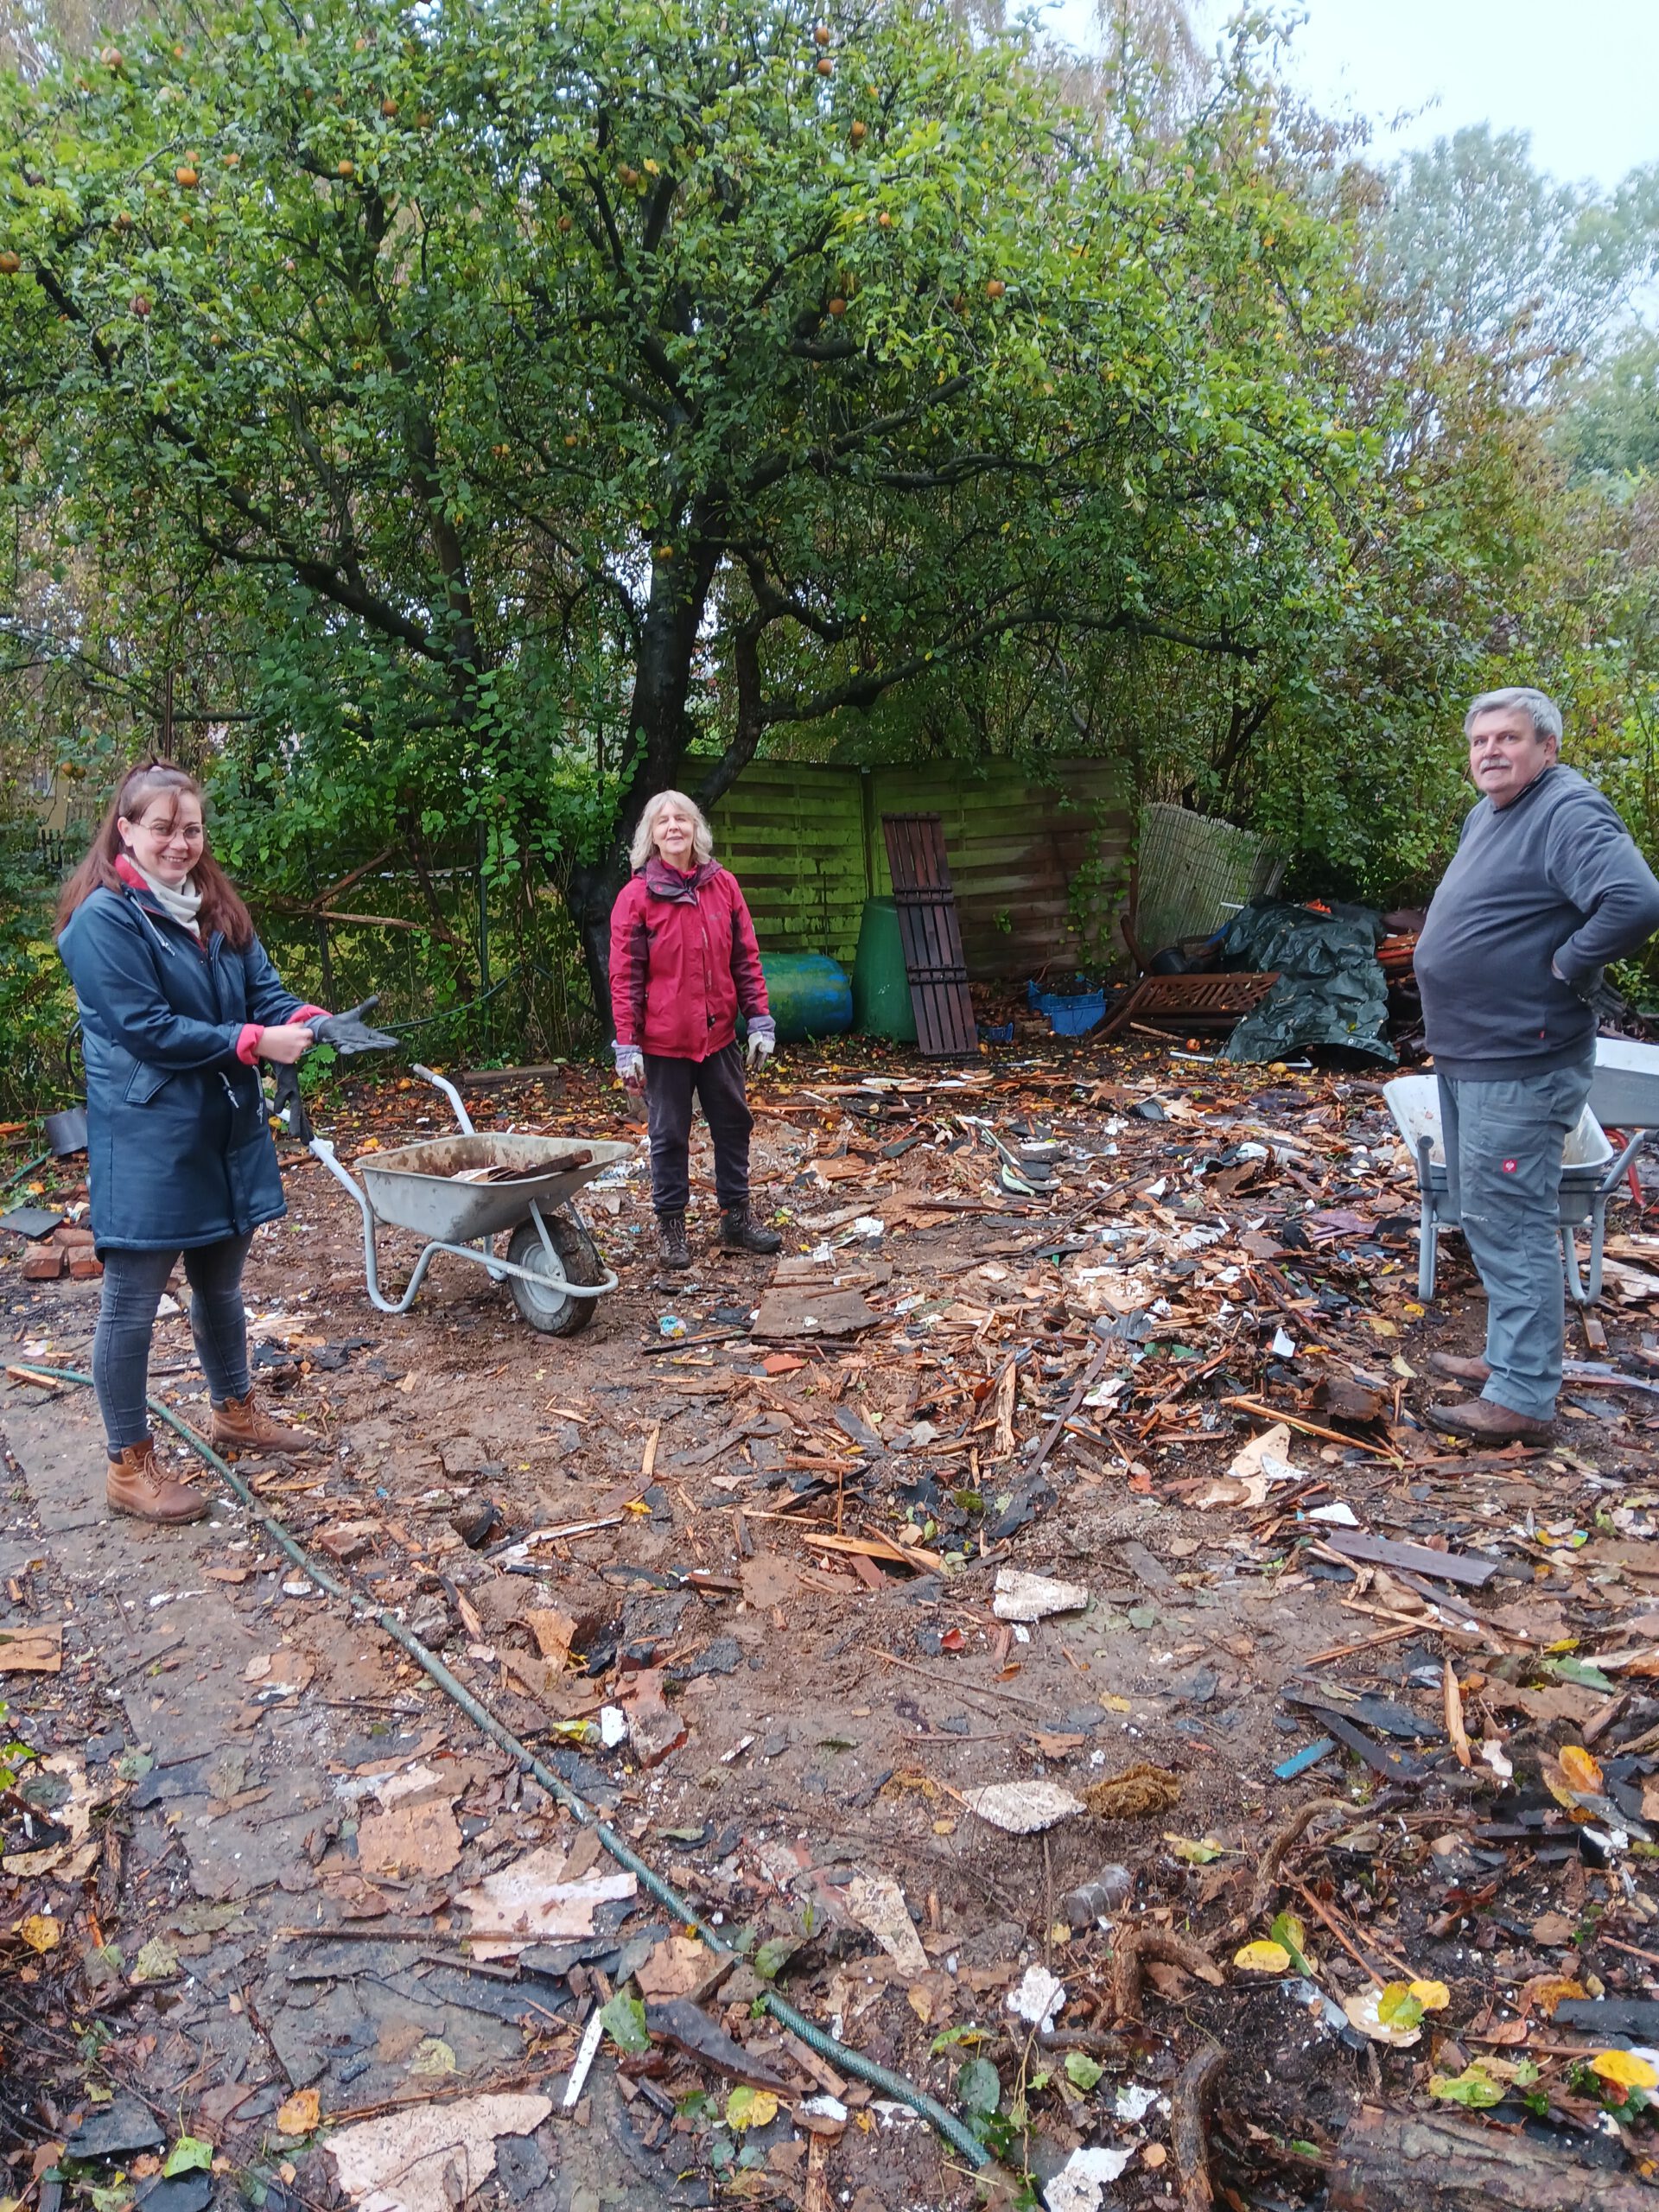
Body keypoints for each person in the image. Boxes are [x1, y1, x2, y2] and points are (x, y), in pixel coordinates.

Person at [56, 760, 330, 1525]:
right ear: (127, 830)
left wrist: (309, 1020)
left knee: (220, 1285)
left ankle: (234, 1412)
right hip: (149, 1137)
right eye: (163, 829)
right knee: (132, 1305)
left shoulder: (216, 908)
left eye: (192, 829)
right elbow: (148, 1030)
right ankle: (127, 1465)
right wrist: (254, 1041)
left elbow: (263, 993)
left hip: (224, 1127)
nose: (179, 843)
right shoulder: (102, 922)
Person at [1414, 688, 1659, 1440]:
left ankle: (1522, 1399)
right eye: (1480, 740)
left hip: (1522, 1058)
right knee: (1487, 1214)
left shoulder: (1566, 810)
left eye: (1509, 737)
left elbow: (1635, 899)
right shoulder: (1491, 813)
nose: (1491, 750)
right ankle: (1508, 1357)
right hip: (1475, 1053)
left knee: (1511, 1221)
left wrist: (1566, 963)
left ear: (1547, 747)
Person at [608, 790, 782, 1270]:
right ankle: (671, 1230)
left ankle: (736, 1220)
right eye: (663, 821)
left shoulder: (723, 886)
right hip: (664, 1044)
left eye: (681, 818)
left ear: (695, 829)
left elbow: (745, 959)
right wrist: (627, 1046)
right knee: (669, 1135)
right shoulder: (636, 897)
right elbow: (625, 977)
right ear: (651, 836)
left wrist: (759, 1019)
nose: (674, 827)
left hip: (719, 1037)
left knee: (733, 1125)